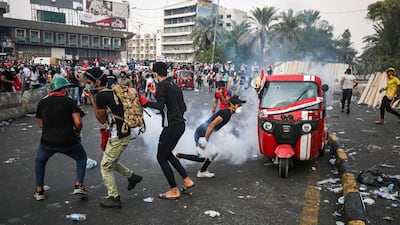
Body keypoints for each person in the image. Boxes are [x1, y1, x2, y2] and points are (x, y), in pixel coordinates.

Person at [84, 67, 143, 208]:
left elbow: (101, 119)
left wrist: (92, 99)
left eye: (89, 82)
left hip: (118, 135)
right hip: (124, 133)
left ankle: (114, 197)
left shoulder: (101, 96)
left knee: (105, 166)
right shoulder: (113, 91)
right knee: (111, 161)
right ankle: (132, 177)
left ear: (97, 83)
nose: (88, 85)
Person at [139, 62, 194, 200]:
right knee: (167, 153)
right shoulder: (174, 84)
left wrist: (144, 101)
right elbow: (183, 107)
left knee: (161, 157)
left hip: (171, 127)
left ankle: (174, 190)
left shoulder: (162, 85)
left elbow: (159, 106)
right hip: (180, 125)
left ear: (155, 73)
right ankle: (186, 179)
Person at [34, 77, 88, 201]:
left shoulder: (42, 102)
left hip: (47, 141)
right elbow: (78, 122)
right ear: (63, 90)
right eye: (67, 88)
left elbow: (41, 124)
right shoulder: (69, 102)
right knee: (81, 158)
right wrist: (77, 133)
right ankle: (79, 185)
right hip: (68, 140)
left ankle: (39, 190)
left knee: (40, 161)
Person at [176, 95, 246, 178]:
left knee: (214, 152)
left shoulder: (229, 113)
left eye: (241, 105)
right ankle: (179, 156)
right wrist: (205, 141)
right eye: (239, 105)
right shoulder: (225, 114)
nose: (240, 107)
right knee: (201, 158)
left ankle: (202, 170)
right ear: (232, 105)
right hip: (201, 134)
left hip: (205, 134)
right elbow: (211, 126)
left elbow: (215, 126)